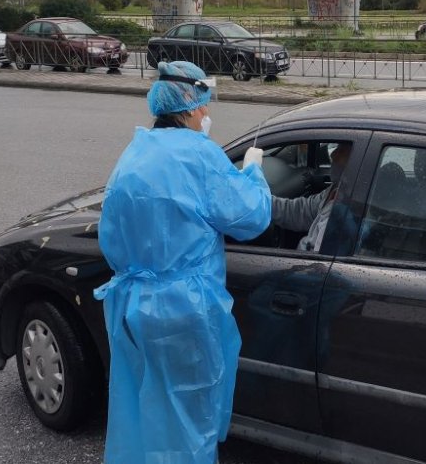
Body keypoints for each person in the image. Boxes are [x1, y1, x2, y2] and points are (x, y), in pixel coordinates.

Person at [94, 61, 272, 464]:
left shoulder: (132, 154)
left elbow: (112, 235)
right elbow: (251, 218)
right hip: (185, 311)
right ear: (190, 107)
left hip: (133, 308)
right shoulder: (200, 155)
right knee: (192, 420)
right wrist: (254, 171)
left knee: (145, 413)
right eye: (205, 107)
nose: (207, 115)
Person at [271, 142, 351, 252]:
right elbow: (303, 211)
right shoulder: (338, 190)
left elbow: (317, 265)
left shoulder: (347, 215)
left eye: (341, 151)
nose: (333, 154)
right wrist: (264, 204)